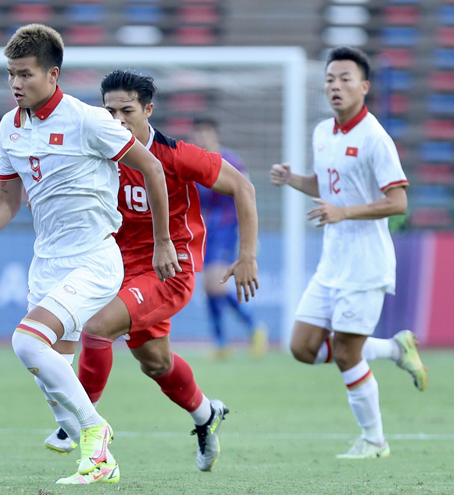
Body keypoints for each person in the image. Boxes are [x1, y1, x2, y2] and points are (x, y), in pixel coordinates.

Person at [0, 25, 181, 484]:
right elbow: (7, 202)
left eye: (25, 74)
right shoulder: (10, 127)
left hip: (94, 259)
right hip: (46, 263)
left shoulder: (88, 120)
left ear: (52, 73)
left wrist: (164, 240)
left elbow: (152, 168)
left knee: (26, 341)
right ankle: (86, 445)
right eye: (10, 74)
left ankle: (97, 437)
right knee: (50, 376)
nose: (15, 84)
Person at [42, 70, 259, 481]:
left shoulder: (177, 156)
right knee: (155, 363)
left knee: (96, 328)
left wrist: (247, 254)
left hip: (167, 271)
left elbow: (243, 188)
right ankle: (206, 413)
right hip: (118, 272)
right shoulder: (101, 153)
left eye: (127, 110)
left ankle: (80, 426)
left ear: (148, 110)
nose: (118, 120)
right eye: (110, 111)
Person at [270, 46, 428, 460]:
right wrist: (293, 180)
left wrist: (346, 212)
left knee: (344, 353)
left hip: (366, 263)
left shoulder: (376, 138)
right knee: (302, 348)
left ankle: (375, 441)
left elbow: (397, 203)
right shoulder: (324, 132)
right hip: (332, 261)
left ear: (365, 86)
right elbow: (328, 188)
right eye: (329, 79)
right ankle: (395, 348)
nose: (335, 86)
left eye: (345, 79)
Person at [191, 118, 269, 359]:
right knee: (210, 287)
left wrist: (250, 237)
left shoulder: (231, 162)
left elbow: (247, 195)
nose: (202, 137)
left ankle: (253, 328)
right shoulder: (192, 163)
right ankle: (222, 343)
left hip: (226, 229)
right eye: (198, 133)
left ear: (215, 134)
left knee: (216, 284)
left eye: (206, 132)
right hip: (203, 232)